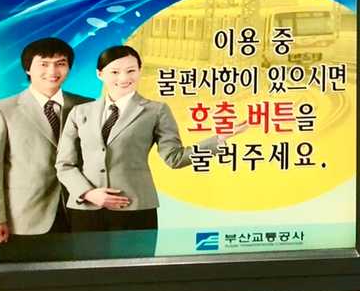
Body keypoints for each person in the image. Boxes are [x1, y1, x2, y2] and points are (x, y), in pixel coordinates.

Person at [56, 44, 245, 232]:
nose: (124, 78)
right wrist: (88, 193)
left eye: (131, 71)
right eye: (114, 72)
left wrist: (218, 140)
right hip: (86, 209)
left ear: (140, 71)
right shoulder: (80, 112)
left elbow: (175, 158)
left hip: (134, 208)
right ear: (100, 74)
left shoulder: (156, 111)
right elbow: (64, 164)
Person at [0, 37, 92, 262]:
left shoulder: (87, 106)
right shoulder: (3, 109)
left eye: (60, 63)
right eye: (44, 64)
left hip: (80, 213)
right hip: (24, 217)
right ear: (28, 68)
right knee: (19, 279)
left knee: (77, 278)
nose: (52, 71)